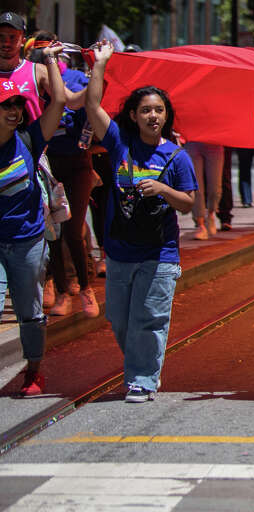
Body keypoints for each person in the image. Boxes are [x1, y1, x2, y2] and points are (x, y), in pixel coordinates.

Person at [85, 41, 197, 402]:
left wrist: (163, 188)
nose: (153, 116)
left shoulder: (177, 156)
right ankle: (140, 367)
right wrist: (100, 64)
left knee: (148, 319)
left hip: (159, 253)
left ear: (166, 115)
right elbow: (92, 106)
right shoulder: (120, 143)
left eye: (159, 110)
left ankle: (142, 379)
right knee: (120, 320)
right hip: (119, 252)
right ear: (133, 115)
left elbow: (188, 204)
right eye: (146, 110)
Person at [2, 43, 66, 396]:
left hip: (27, 241)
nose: (13, 111)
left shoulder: (30, 140)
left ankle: (34, 371)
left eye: (17, 105)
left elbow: (57, 102)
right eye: (5, 105)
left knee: (30, 313)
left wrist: (51, 61)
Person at [24, 32, 99, 318]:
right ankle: (60, 288)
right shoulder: (28, 82)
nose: (44, 59)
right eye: (39, 54)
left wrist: (97, 73)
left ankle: (85, 288)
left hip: (78, 164)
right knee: (52, 231)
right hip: (46, 164)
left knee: (73, 229)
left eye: (50, 54)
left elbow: (86, 104)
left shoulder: (74, 81)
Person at [183, 139, 223, 240]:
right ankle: (200, 224)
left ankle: (211, 213)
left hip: (214, 142)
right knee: (195, 186)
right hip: (192, 142)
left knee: (215, 186)